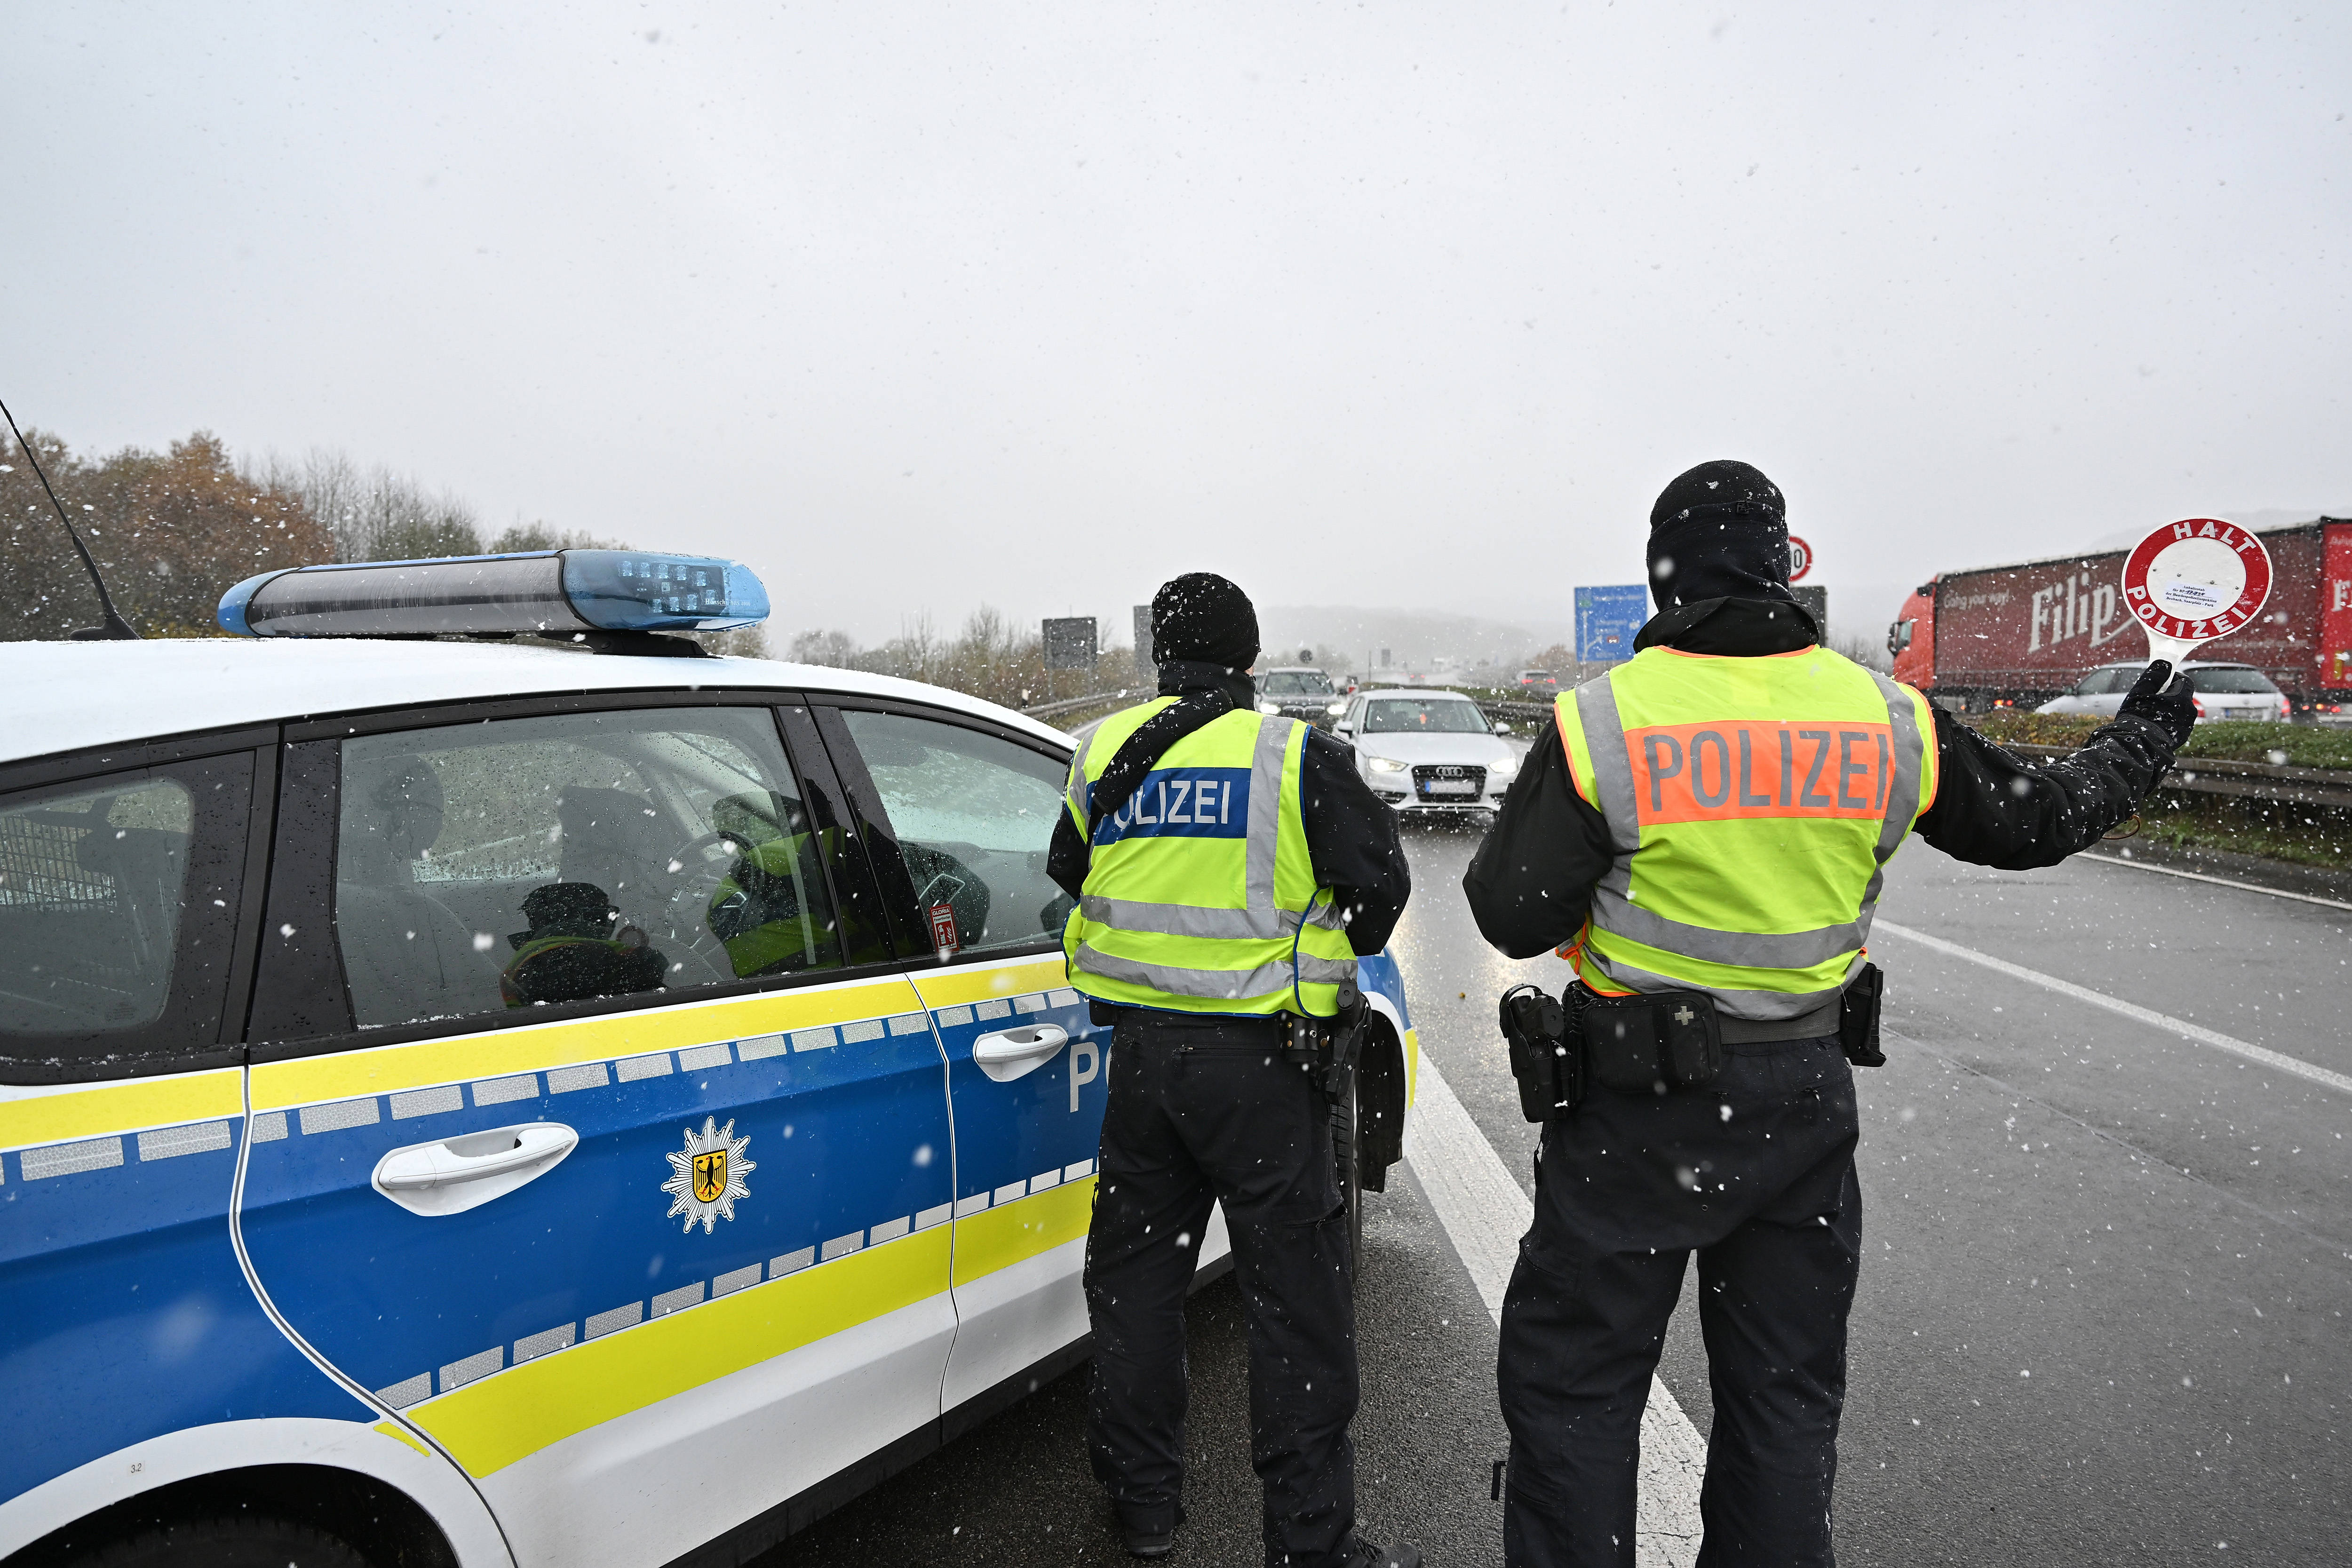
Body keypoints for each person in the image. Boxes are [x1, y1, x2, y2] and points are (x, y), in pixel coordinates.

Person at [1462, 460, 2196, 1568]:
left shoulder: (1603, 721)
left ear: (1664, 572)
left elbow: (1509, 913)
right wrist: (2140, 736)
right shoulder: (1881, 714)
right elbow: (2036, 820)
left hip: (1630, 1112)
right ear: (1780, 563)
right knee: (1783, 1404)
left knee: (1577, 1392)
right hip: (1800, 1109)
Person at [1046, 573, 1418, 1568]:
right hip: (1264, 1067)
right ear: (1248, 657)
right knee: (1294, 1304)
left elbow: (1069, 873)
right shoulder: (1293, 754)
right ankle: (1309, 1541)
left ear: (1160, 657)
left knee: (1135, 1287)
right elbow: (1382, 886)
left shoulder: (1102, 752)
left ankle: (1143, 1506)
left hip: (1143, 1064)